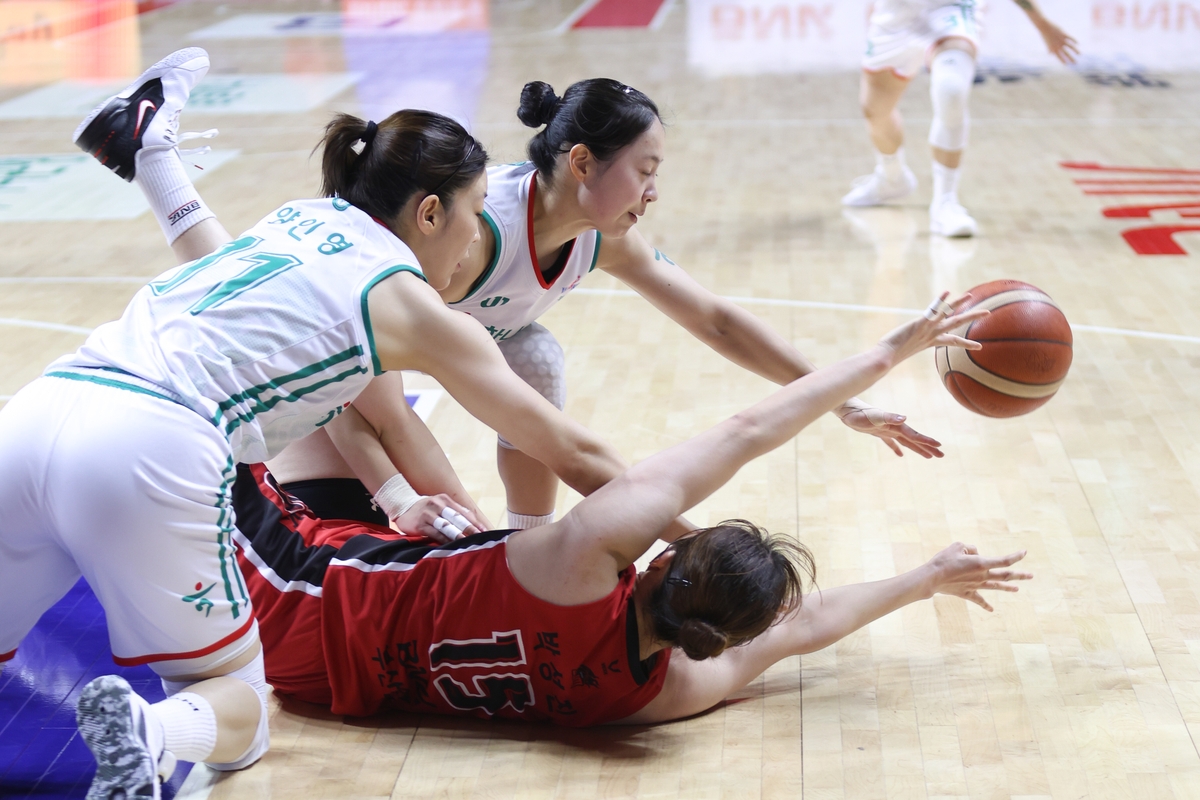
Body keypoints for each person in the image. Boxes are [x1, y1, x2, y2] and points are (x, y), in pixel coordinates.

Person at [0, 49, 664, 799]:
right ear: (430, 212)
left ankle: (147, 144)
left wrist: (157, 167)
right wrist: (685, 533)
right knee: (242, 709)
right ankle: (152, 731)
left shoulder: (301, 220)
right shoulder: (410, 300)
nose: (479, 234)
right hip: (150, 450)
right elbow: (566, 447)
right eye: (476, 211)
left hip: (37, 408)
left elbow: (223, 269)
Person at [121, 69, 956, 535]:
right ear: (585, 162)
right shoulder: (467, 232)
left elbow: (717, 318)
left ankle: (525, 535)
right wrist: (408, 495)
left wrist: (844, 404)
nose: (654, 191)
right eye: (646, 170)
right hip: (333, 375)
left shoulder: (604, 235)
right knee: (343, 406)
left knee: (535, 356)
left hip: (419, 350)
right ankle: (154, 159)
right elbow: (349, 374)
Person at [232, 293, 1030, 726]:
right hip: (324, 681)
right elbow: (807, 626)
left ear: (667, 559)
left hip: (296, 592)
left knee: (314, 365)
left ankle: (164, 179)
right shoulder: (669, 693)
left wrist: (890, 352)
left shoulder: (588, 551)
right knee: (377, 422)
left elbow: (748, 429)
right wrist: (923, 580)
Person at [841, 0, 1079, 236]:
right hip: (895, 14)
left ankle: (946, 202)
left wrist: (1042, 24)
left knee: (951, 89)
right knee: (875, 111)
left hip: (950, 9)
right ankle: (892, 177)